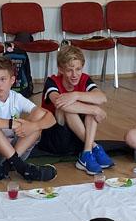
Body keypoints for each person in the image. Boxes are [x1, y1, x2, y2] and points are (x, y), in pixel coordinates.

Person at [0, 56, 58, 184]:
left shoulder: (17, 98)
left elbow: (51, 118)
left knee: (39, 117)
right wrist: (11, 124)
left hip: (16, 150)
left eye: (2, 79)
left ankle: (5, 168)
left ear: (12, 80)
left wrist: (34, 126)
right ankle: (23, 169)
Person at [39, 45, 113, 176]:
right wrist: (95, 110)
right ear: (61, 69)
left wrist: (76, 95)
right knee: (68, 108)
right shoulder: (52, 82)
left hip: (78, 139)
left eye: (78, 69)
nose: (74, 75)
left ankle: (87, 152)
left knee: (90, 106)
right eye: (69, 70)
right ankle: (93, 147)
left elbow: (102, 98)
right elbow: (61, 104)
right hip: (56, 140)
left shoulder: (84, 79)